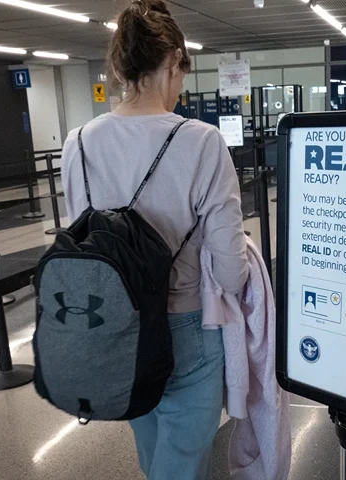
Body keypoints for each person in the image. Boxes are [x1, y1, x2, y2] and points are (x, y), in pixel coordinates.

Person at [60, 1, 248, 478]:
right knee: (183, 465)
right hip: (186, 327)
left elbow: (83, 240)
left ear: (120, 69)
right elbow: (230, 272)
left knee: (153, 452)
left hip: (112, 325)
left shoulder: (77, 142)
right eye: (181, 72)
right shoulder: (203, 142)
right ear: (173, 61)